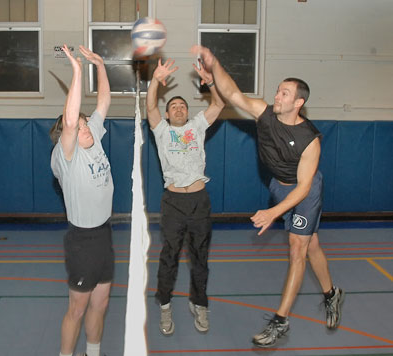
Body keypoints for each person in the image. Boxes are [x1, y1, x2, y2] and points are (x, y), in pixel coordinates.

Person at [192, 45, 345, 348]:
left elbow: (303, 188)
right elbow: (233, 94)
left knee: (297, 247)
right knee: (312, 244)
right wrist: (215, 64)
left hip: (305, 190)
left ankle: (280, 321)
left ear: (299, 102)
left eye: (285, 93)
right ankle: (332, 294)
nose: (277, 96)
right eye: (278, 91)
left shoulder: (310, 139)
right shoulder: (264, 113)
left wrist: (274, 213)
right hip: (279, 186)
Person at [146, 57, 225, 335]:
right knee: (169, 257)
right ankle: (165, 307)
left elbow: (218, 105)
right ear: (168, 115)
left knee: (200, 258)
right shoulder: (162, 131)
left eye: (182, 106)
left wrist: (211, 82)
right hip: (174, 203)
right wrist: (155, 79)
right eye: (173, 107)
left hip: (199, 202)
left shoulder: (197, 127)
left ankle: (199, 304)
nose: (178, 109)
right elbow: (151, 106)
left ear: (188, 113)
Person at [50, 44, 113, 356]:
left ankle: (93, 352)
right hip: (82, 240)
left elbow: (103, 101)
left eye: (88, 123)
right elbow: (72, 121)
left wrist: (99, 65)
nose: (85, 127)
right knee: (77, 309)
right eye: (79, 125)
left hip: (104, 235)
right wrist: (77, 70)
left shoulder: (94, 139)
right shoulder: (65, 156)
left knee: (100, 305)